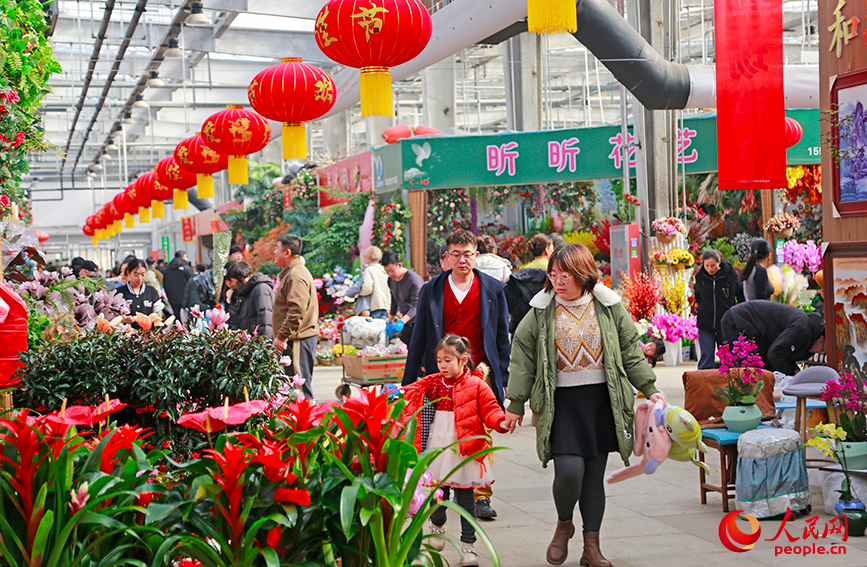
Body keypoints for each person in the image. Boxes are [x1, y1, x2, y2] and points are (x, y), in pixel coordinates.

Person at [502, 243, 664, 567]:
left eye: (566, 275)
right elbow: (523, 357)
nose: (558, 281)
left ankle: (592, 548)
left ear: (583, 274)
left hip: (601, 402)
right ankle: (564, 524)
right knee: (569, 472)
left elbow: (630, 350)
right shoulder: (541, 310)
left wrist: (649, 388)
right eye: (553, 275)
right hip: (561, 404)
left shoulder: (608, 306)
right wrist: (516, 403)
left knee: (592, 479)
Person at [403, 229, 511, 520]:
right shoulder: (432, 290)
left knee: (479, 434)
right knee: (440, 432)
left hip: (479, 376)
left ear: (477, 256)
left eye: (468, 254)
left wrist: (503, 379)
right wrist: (409, 382)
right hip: (440, 374)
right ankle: (442, 489)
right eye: (456, 254)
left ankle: (480, 495)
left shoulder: (492, 289)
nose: (462, 260)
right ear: (447, 257)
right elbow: (419, 336)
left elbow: (501, 338)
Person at [401, 335, 508, 567]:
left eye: (447, 360)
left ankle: (468, 546)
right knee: (437, 493)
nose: (442, 365)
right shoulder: (433, 382)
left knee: (466, 499)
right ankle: (437, 526)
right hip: (438, 446)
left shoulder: (477, 385)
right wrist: (396, 397)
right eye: (439, 361)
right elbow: (409, 392)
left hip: (465, 448)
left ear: (463, 360)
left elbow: (490, 408)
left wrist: (501, 422)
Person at [721, 300, 825, 376]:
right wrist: (794, 371)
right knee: (745, 373)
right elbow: (775, 354)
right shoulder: (801, 329)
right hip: (739, 321)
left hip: (759, 334)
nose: (819, 351)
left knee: (763, 375)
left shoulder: (807, 334)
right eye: (823, 348)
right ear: (820, 338)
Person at [272, 234, 319, 399]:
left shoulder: (296, 275)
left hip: (298, 339)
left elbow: (297, 311)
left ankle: (309, 417)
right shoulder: (292, 273)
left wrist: (281, 336)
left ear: (287, 252)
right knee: (294, 388)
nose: (274, 252)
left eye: (277, 248)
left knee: (300, 390)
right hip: (295, 338)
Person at [693, 249, 741, 369]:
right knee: (706, 355)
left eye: (713, 265)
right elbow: (698, 297)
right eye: (707, 266)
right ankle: (704, 379)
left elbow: (740, 294)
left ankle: (730, 379)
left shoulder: (730, 275)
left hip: (725, 323)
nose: (710, 269)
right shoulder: (700, 276)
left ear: (719, 262)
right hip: (705, 322)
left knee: (727, 356)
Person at [381, 251, 424, 345]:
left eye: (391, 270)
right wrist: (390, 321)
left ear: (399, 265)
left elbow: (416, 306)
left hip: (419, 321)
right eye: (387, 272)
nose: (390, 274)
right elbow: (394, 300)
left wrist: (401, 322)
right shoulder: (391, 280)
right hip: (406, 320)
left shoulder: (414, 280)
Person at [226, 261, 274, 338]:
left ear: (244, 279)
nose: (234, 285)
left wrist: (265, 342)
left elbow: (265, 319)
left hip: (259, 341)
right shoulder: (246, 292)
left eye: (234, 281)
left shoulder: (260, 289)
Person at [356, 246, 391, 319]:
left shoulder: (369, 270)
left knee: (373, 325)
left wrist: (359, 293)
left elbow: (368, 288)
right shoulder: (383, 270)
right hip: (385, 305)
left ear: (368, 258)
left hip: (375, 304)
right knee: (381, 325)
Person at [164, 251, 194, 318]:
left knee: (176, 318)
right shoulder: (186, 268)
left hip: (172, 298)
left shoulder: (167, 269)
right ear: (182, 257)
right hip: (186, 299)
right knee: (188, 320)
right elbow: (192, 283)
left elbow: (165, 283)